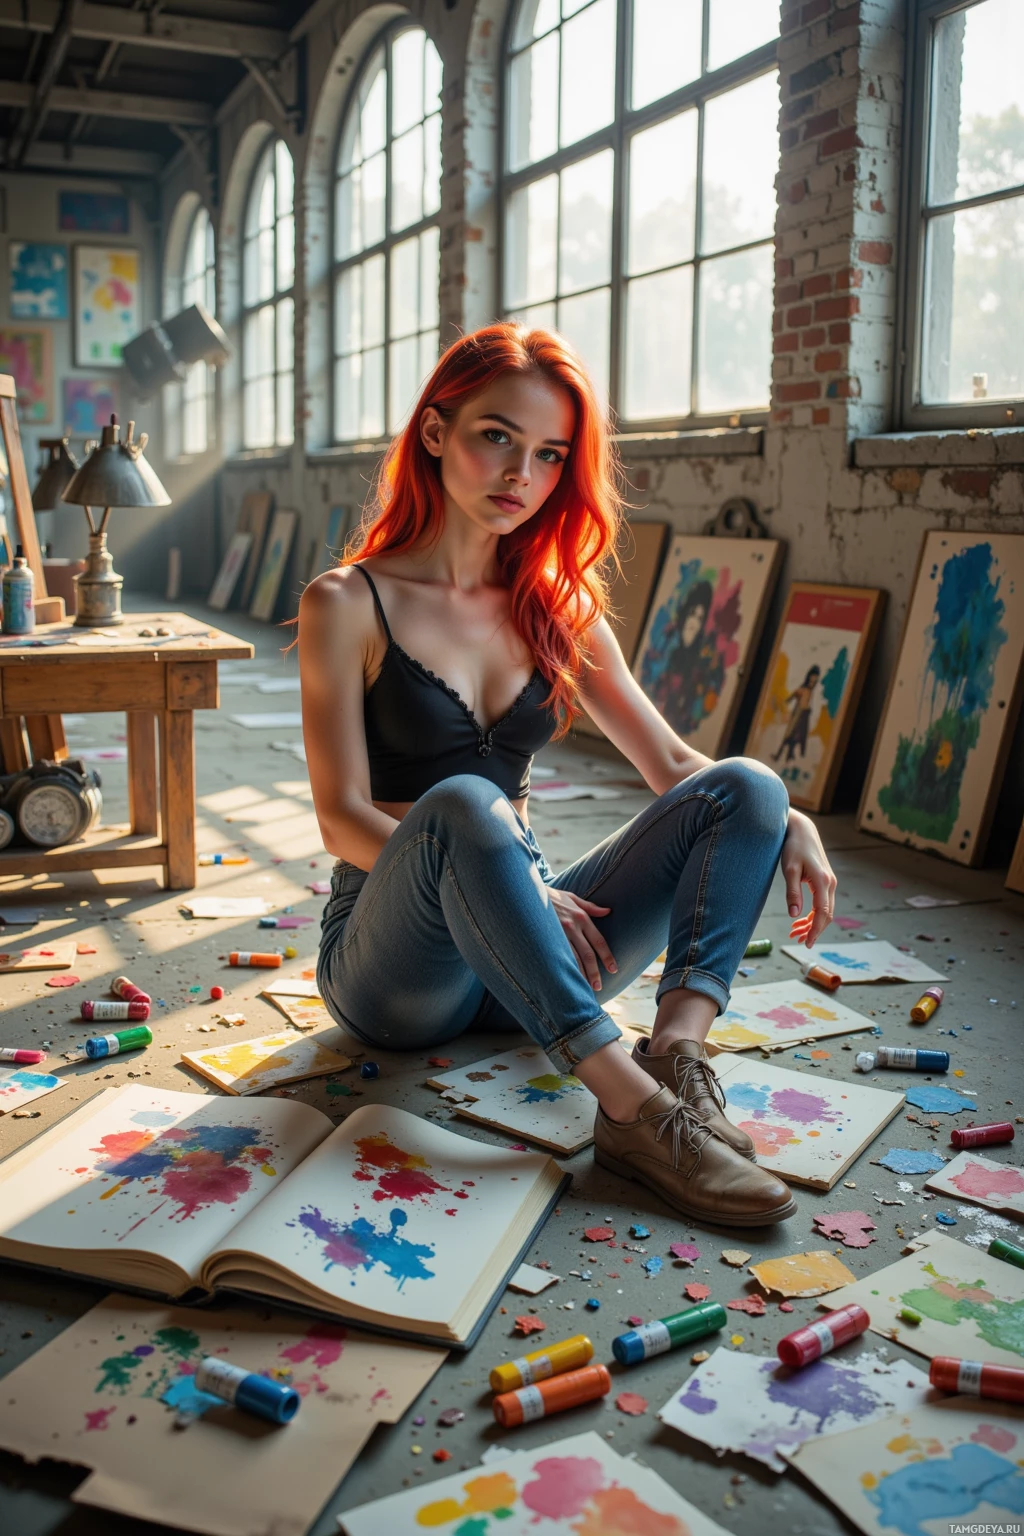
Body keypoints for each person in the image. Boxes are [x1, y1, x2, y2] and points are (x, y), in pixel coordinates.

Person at [299, 323, 837, 1228]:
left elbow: (676, 767)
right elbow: (341, 816)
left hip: (529, 951)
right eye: (496, 436)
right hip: (395, 966)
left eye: (549, 455)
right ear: (434, 432)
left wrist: (789, 816)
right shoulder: (347, 601)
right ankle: (632, 1113)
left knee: (748, 782)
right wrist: (519, 882)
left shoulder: (560, 610)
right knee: (468, 803)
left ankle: (675, 1059)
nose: (522, 474)